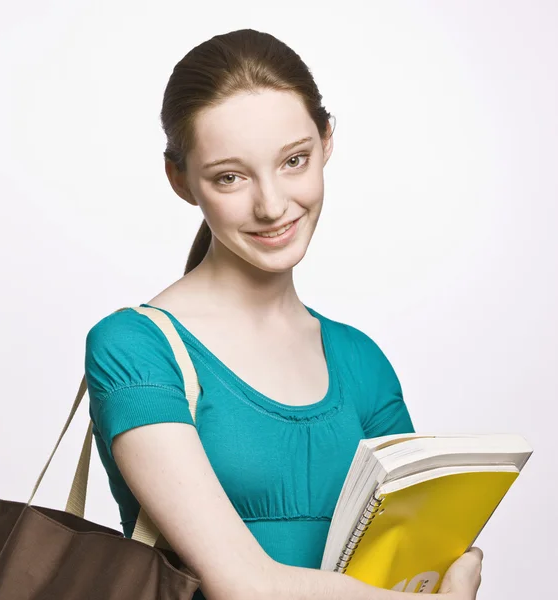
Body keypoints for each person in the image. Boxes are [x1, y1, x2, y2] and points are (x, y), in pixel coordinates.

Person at [84, 28, 483, 600]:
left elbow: (411, 559)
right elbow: (243, 585)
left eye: (294, 160)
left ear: (326, 142)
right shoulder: (134, 347)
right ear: (181, 180)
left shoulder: (361, 361)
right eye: (230, 176)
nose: (272, 205)